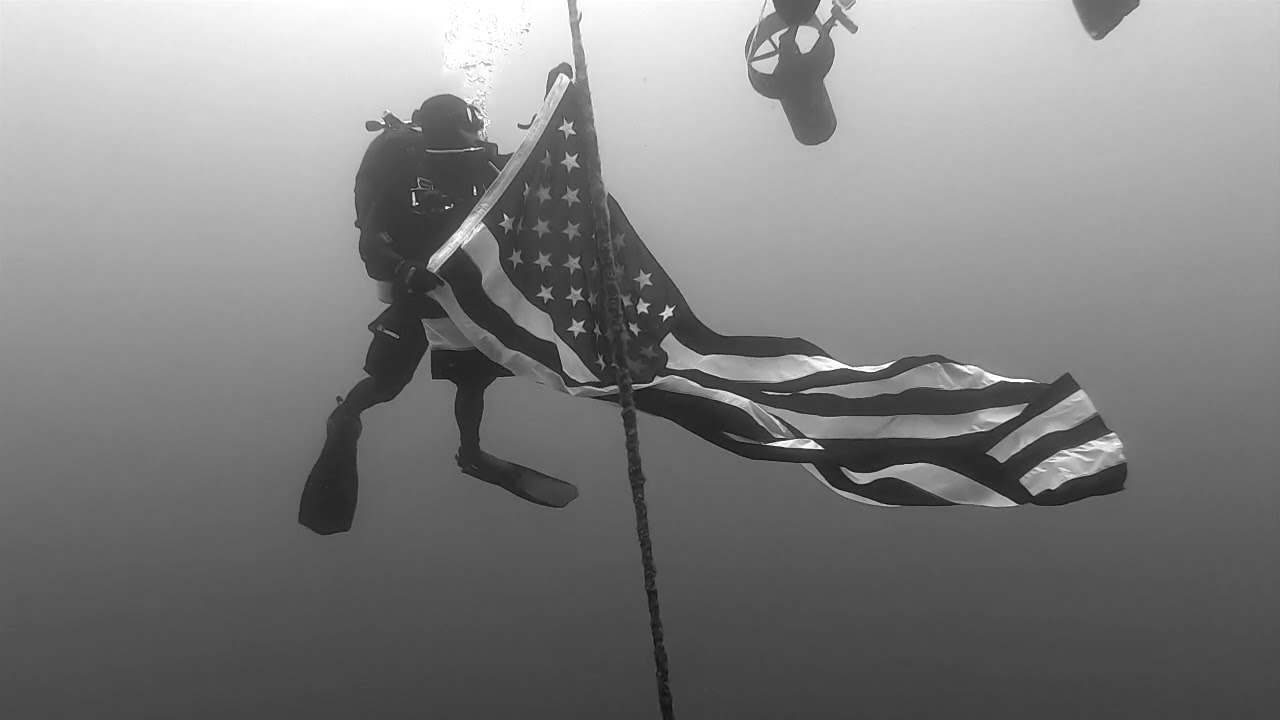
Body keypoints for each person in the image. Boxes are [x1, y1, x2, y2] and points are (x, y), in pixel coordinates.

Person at [304, 64, 576, 535]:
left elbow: (530, 170)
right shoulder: (402, 169)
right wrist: (404, 268)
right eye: (469, 129)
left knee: (473, 380)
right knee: (387, 384)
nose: (475, 138)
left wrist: (553, 105)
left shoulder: (482, 164)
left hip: (462, 292)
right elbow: (371, 240)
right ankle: (345, 419)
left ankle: (471, 453)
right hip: (416, 291)